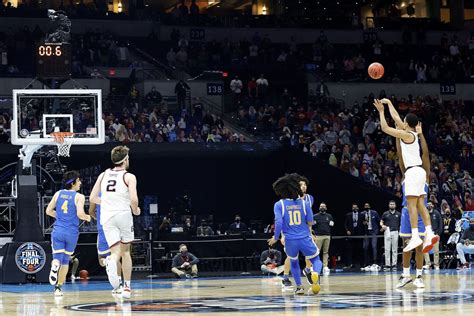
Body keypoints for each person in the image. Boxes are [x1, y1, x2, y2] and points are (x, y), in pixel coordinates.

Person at [374, 98, 438, 253]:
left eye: (403, 120)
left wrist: (381, 112)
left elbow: (385, 127)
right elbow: (396, 118)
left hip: (412, 172)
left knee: (411, 206)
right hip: (420, 173)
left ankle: (415, 235)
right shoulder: (412, 133)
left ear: (407, 123)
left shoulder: (406, 135)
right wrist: (389, 104)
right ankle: (429, 233)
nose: (400, 120)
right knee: (421, 204)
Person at [90, 146, 141, 299]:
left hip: (107, 216)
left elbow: (92, 198)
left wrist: (107, 202)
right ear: (125, 160)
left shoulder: (103, 174)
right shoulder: (129, 176)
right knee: (126, 252)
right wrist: (136, 209)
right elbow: (133, 199)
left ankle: (111, 261)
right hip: (123, 214)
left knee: (114, 252)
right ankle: (126, 287)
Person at [268, 174, 323, 295]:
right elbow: (310, 221)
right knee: (316, 260)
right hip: (304, 237)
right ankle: (315, 273)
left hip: (290, 240)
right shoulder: (304, 204)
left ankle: (299, 287)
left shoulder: (279, 204)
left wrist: (276, 237)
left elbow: (278, 222)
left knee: (294, 262)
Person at [46, 171, 91, 296]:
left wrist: (60, 217)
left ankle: (54, 266)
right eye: (79, 180)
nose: (80, 183)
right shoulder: (79, 196)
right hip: (71, 233)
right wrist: (88, 217)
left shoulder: (58, 194)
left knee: (57, 258)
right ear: (73, 183)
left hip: (58, 230)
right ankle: (58, 288)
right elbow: (80, 214)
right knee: (66, 261)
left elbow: (48, 211)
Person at [397, 123, 430, 289]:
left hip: (419, 214)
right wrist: (399, 137)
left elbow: (425, 154)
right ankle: (405, 275)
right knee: (406, 246)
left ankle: (419, 275)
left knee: (419, 246)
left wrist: (421, 135)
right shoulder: (407, 172)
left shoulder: (425, 174)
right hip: (406, 212)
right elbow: (401, 156)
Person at [89, 198, 124, 293]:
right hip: (115, 227)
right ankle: (120, 283)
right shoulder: (116, 190)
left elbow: (91, 212)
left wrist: (98, 218)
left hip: (102, 228)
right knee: (116, 256)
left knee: (101, 259)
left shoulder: (96, 193)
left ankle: (106, 262)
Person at [313, 202, 334, 275]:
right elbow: (312, 226)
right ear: (319, 208)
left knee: (326, 252)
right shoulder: (315, 216)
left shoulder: (329, 216)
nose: (322, 207)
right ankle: (315, 266)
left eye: (324, 206)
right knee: (317, 252)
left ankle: (325, 266)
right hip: (318, 236)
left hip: (327, 236)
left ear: (326, 208)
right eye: (321, 206)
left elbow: (331, 225)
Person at [380, 200, 401, 271]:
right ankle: (388, 265)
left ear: (395, 205)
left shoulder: (398, 214)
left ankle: (394, 265)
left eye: (393, 204)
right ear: (389, 205)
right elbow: (381, 221)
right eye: (391, 204)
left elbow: (401, 224)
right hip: (387, 231)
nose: (392, 205)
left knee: (394, 249)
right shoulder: (385, 213)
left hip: (395, 231)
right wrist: (382, 225)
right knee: (387, 249)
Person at [423, 202, 443, 270]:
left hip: (435, 233)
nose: (429, 205)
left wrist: (438, 233)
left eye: (430, 204)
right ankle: (428, 264)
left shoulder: (436, 213)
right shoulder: (424, 213)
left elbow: (440, 224)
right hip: (426, 234)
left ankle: (436, 264)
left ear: (433, 205)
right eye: (427, 204)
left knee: (436, 250)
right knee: (425, 249)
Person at [344, 203, 363, 268]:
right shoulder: (348, 215)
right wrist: (347, 230)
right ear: (352, 208)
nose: (354, 208)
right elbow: (345, 224)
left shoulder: (361, 215)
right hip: (351, 235)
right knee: (350, 250)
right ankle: (350, 264)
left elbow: (363, 224)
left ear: (357, 208)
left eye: (355, 207)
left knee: (360, 249)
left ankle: (362, 264)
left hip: (359, 234)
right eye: (353, 207)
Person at [361, 202, 380, 269]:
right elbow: (360, 223)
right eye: (365, 206)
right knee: (365, 247)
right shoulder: (362, 213)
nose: (366, 207)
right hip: (366, 232)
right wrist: (363, 223)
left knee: (374, 246)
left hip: (373, 232)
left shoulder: (374, 212)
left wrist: (380, 229)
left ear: (369, 206)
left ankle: (375, 262)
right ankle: (367, 263)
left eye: (367, 206)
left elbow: (379, 221)